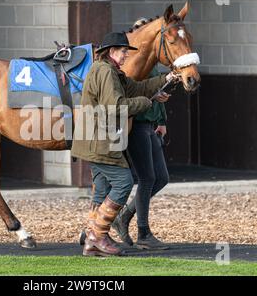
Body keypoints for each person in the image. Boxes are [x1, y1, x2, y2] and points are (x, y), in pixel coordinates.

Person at [71, 31, 179, 257]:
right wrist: (147, 102)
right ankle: (98, 235)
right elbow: (117, 105)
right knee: (123, 182)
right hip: (99, 142)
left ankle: (92, 243)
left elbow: (136, 89)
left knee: (101, 191)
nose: (125, 56)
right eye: (122, 51)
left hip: (97, 142)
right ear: (111, 52)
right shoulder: (105, 72)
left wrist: (166, 80)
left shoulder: (112, 72)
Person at [111, 65, 171, 250]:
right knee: (147, 178)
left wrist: (161, 120)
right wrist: (153, 97)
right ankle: (143, 233)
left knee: (161, 178)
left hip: (150, 124)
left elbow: (154, 91)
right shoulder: (131, 68)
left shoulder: (151, 66)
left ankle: (124, 216)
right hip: (136, 125)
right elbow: (128, 96)